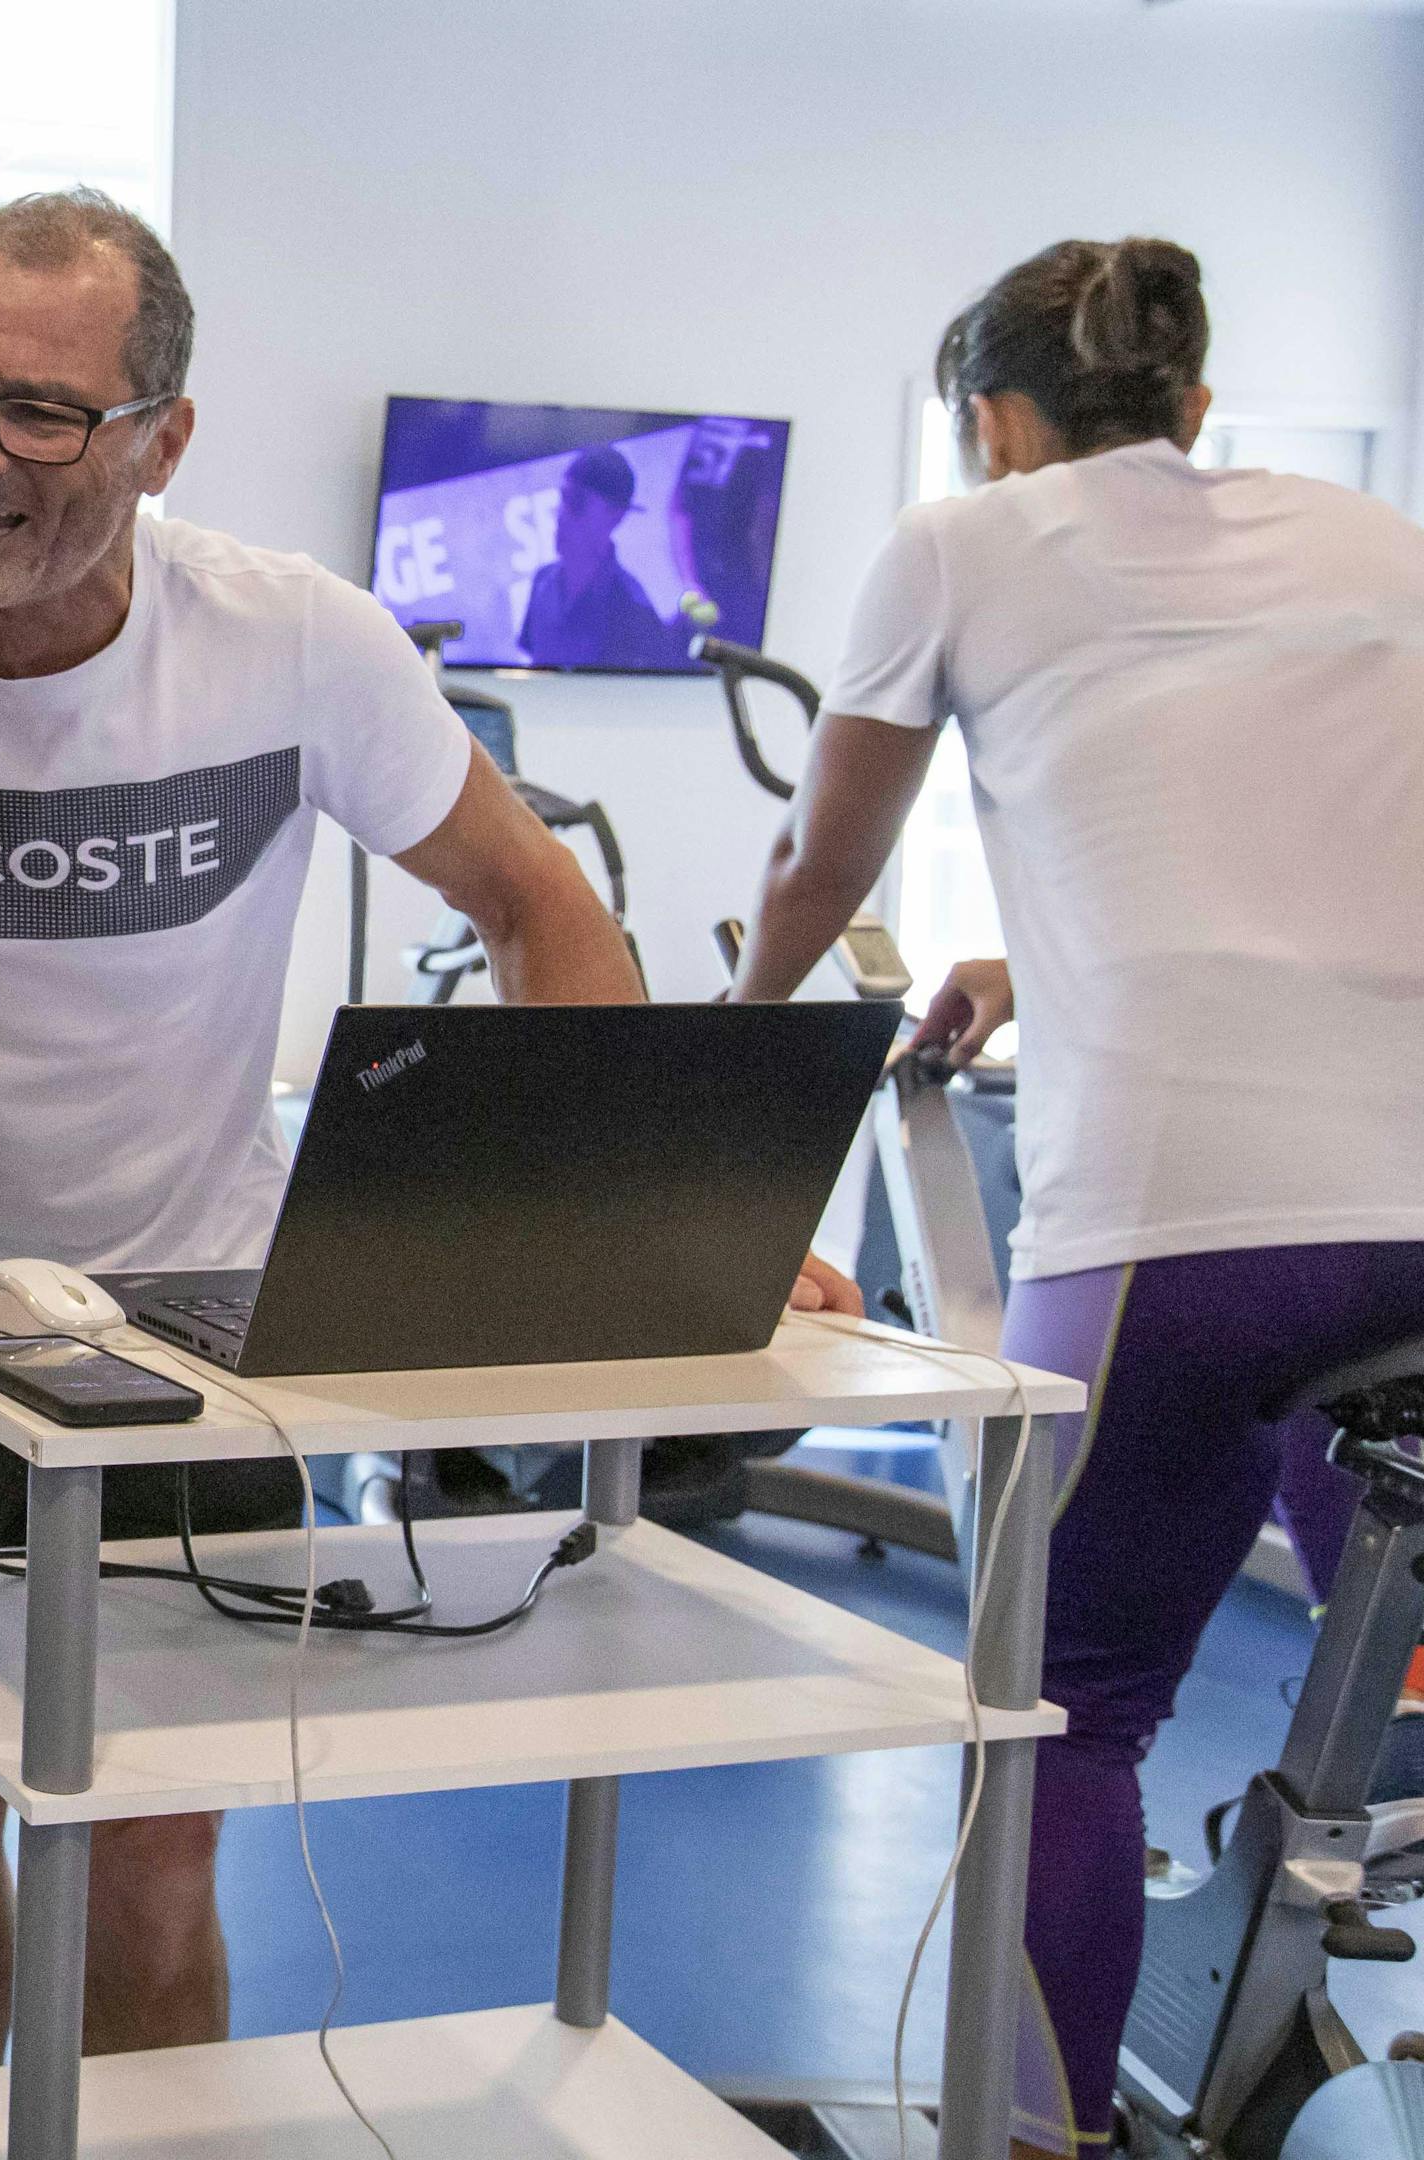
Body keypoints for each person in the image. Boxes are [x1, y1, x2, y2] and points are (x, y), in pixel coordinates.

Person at [0, 187, 820, 2074]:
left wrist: (639, 1205)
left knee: (154, 1834)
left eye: (36, 413)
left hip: (207, 1312)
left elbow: (528, 899)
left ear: (163, 440)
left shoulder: (291, 645)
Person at [728, 235, 1424, 2159]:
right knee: (1377, 1649)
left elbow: (817, 858)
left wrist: (729, 1058)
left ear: (992, 420)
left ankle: (1040, 2142)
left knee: (1057, 1718)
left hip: (1183, 1218)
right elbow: (1312, 842)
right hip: (1414, 1208)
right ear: (1193, 408)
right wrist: (1044, 967)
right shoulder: (1373, 539)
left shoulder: (965, 540)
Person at [519, 442, 690, 669]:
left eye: (576, 502)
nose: (562, 514)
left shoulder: (633, 610)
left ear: (614, 516)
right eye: (562, 498)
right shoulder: (542, 582)